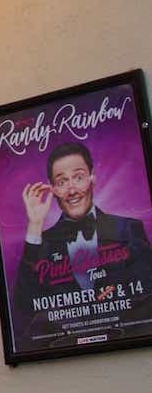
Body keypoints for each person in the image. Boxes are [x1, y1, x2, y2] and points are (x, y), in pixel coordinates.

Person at [13, 141, 152, 345]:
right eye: (61, 182)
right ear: (52, 189)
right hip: (67, 351)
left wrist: (119, 287)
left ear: (92, 178)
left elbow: (148, 282)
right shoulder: (42, 242)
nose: (71, 190)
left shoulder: (128, 228)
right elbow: (24, 304)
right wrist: (34, 226)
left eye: (78, 177)